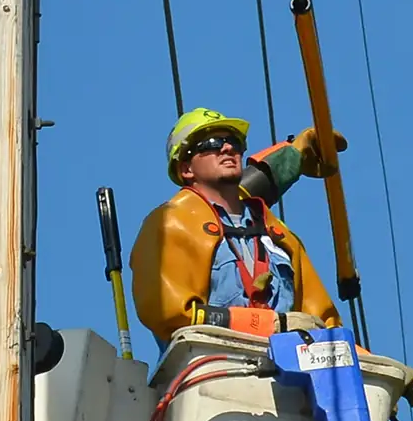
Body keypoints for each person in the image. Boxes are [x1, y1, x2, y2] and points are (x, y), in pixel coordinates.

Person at [130, 107, 343, 350]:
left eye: (234, 142)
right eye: (211, 143)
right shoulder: (170, 223)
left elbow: (324, 324)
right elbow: (171, 314)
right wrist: (263, 324)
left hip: (290, 371)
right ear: (186, 169)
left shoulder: (275, 235)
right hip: (215, 368)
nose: (227, 148)